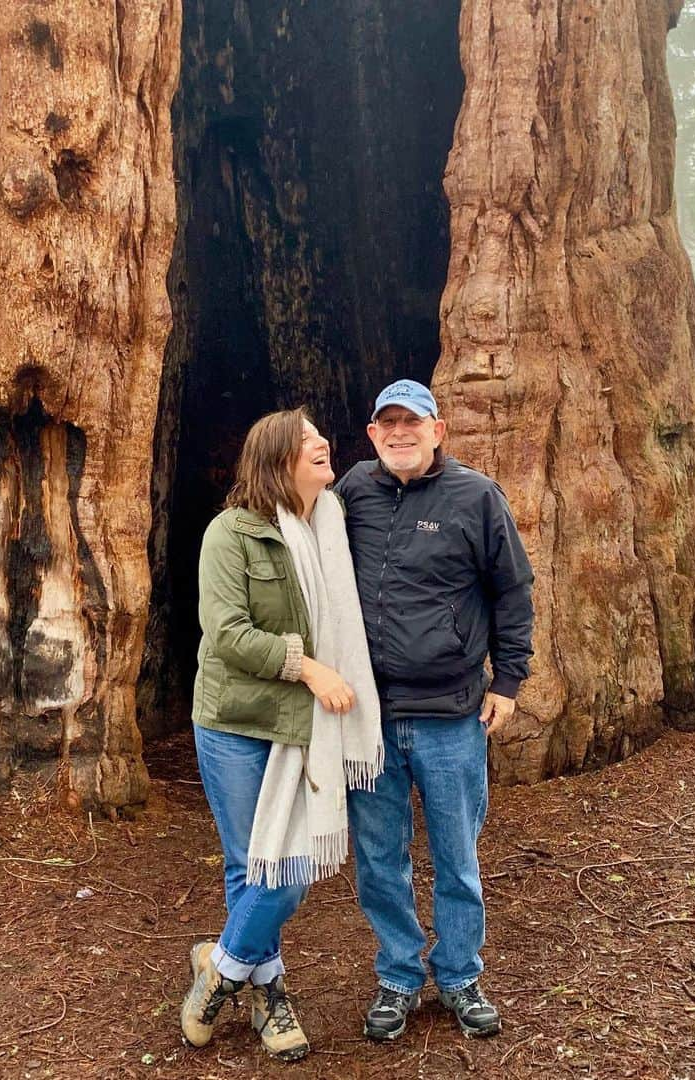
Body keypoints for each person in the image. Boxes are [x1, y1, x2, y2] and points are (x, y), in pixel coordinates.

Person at [334, 378, 534, 1042]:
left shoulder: (476, 497)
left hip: (451, 713)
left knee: (456, 853)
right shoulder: (352, 494)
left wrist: (507, 681)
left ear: (437, 430)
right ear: (371, 435)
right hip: (370, 719)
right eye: (386, 423)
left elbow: (512, 591)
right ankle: (397, 975)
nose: (399, 433)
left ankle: (458, 975)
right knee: (379, 855)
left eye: (411, 423)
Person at [181, 407, 383, 1063]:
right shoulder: (229, 534)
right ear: (275, 462)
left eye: (319, 434)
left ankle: (223, 967)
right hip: (237, 722)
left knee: (274, 865)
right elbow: (227, 633)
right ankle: (266, 991)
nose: (324, 442)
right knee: (267, 867)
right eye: (306, 441)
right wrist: (310, 667)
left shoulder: (330, 528)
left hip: (301, 727)